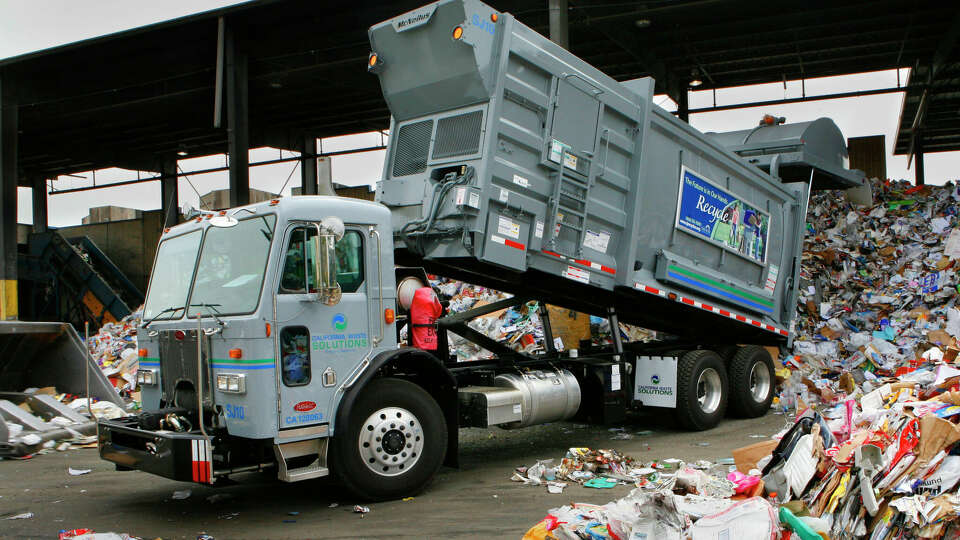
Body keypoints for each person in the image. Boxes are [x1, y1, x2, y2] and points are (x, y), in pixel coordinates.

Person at [410, 287, 442, 351]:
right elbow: (439, 310)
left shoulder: (416, 297)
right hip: (431, 342)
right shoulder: (432, 294)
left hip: (418, 342)